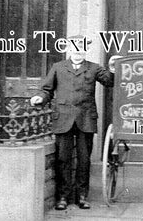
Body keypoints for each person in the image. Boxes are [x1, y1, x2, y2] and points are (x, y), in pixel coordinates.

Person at [30, 35, 119, 210]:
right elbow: (47, 89)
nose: (78, 50)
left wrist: (113, 68)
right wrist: (39, 97)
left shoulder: (94, 68)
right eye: (75, 47)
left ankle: (82, 196)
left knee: (84, 160)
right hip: (63, 119)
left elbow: (109, 82)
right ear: (69, 49)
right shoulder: (58, 67)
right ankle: (63, 196)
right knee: (63, 159)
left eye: (82, 47)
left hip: (85, 119)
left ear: (86, 50)